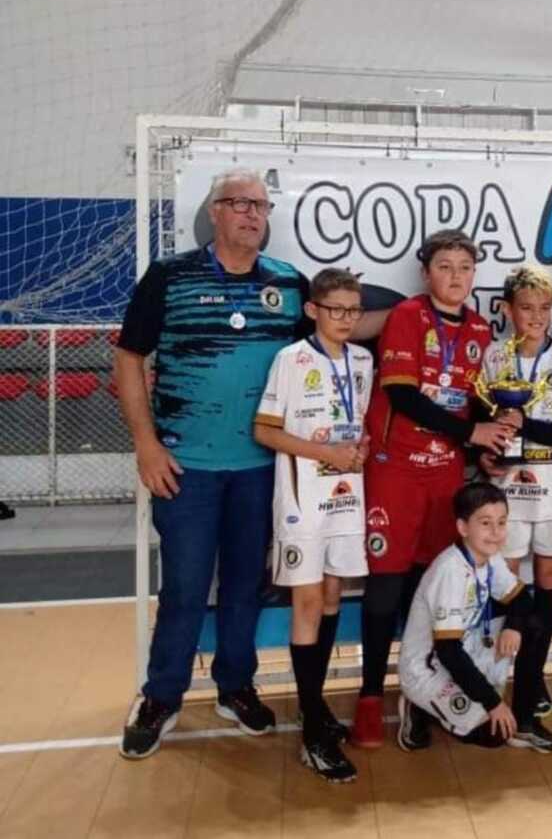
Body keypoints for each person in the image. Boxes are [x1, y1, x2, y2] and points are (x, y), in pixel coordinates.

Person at [117, 168, 308, 759]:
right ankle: (163, 695)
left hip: (261, 469)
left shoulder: (289, 284)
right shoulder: (169, 278)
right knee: (184, 587)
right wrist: (147, 446)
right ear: (214, 212)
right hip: (186, 468)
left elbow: (329, 340)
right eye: (239, 203)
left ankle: (235, 686)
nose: (252, 213)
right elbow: (127, 360)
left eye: (260, 204)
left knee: (246, 586)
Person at [352, 230, 513, 747]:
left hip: (445, 474)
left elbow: (475, 407)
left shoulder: (482, 332)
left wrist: (483, 449)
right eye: (445, 266)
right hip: (394, 471)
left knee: (432, 590)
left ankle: (420, 696)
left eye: (465, 268)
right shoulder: (407, 317)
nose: (456, 277)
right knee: (384, 588)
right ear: (427, 273)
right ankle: (370, 698)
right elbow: (401, 393)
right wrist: (471, 432)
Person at [253, 268, 372, 782]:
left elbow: (360, 425)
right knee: (305, 603)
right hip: (303, 500)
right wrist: (326, 452)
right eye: (335, 309)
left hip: (347, 497)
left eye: (353, 310)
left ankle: (314, 703)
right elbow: (265, 430)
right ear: (312, 311)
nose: (345, 319)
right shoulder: (291, 359)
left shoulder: (364, 361)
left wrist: (359, 450)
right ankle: (312, 734)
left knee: (329, 599)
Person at [479, 266, 552, 716]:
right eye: (526, 308)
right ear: (508, 310)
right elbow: (482, 423)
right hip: (506, 493)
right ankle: (494, 677)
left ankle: (533, 674)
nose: (536, 316)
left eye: (545, 308)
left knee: (546, 580)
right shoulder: (493, 358)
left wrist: (529, 425)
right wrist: (487, 455)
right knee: (504, 584)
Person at [396, 481, 552, 753]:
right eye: (485, 523)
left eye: (501, 522)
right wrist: (494, 704)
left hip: (466, 646)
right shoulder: (450, 571)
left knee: (533, 622)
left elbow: (522, 598)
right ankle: (418, 705)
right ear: (463, 527)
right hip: (428, 668)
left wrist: (513, 628)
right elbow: (448, 651)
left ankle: (525, 722)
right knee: (493, 733)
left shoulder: (490, 556)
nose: (496, 533)